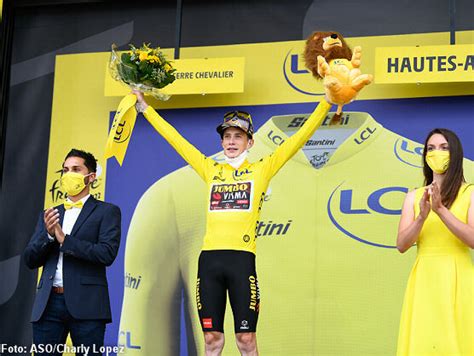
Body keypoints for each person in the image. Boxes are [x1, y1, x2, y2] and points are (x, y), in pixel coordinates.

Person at [132, 88, 340, 356]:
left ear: (250, 142)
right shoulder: (210, 169)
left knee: (245, 339)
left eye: (238, 136)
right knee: (212, 340)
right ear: (221, 142)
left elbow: (298, 139)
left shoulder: (261, 169)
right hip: (209, 263)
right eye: (227, 136)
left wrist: (326, 103)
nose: (231, 141)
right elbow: (177, 141)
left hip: (241, 262)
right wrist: (146, 109)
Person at [23, 149, 121, 356]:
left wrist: (64, 240)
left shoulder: (107, 211)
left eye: (76, 169)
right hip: (48, 304)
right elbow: (30, 259)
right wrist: (49, 237)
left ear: (91, 177)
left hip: (88, 305)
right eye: (65, 170)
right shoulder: (50, 213)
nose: (69, 174)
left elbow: (106, 253)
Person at [396, 128, 474, 355]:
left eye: (443, 148)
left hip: (459, 276)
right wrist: (422, 216)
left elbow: (472, 239)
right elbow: (402, 244)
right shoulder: (413, 196)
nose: (436, 153)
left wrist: (440, 210)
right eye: (431, 148)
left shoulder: (469, 193)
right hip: (425, 278)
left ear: (455, 153)